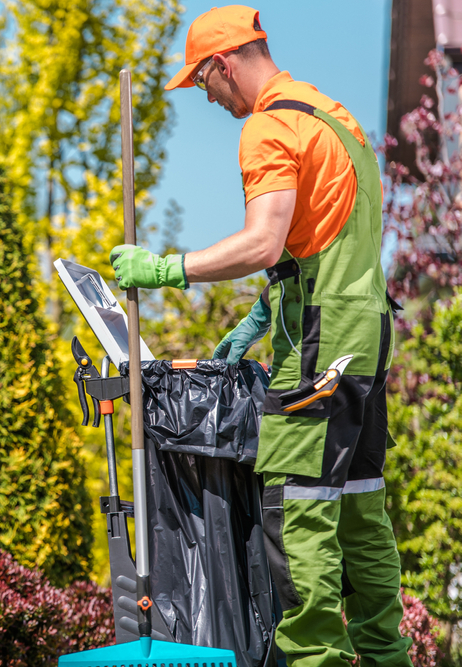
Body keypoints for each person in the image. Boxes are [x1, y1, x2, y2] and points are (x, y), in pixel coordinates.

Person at [108, 6, 412, 667]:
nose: (210, 100)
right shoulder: (338, 117)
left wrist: (167, 268)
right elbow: (319, 239)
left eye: (204, 84)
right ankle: (388, 657)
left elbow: (264, 237)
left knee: (296, 505)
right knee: (360, 509)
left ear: (224, 64)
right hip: (365, 333)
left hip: (319, 341)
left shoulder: (270, 128)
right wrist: (264, 309)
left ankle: (314, 661)